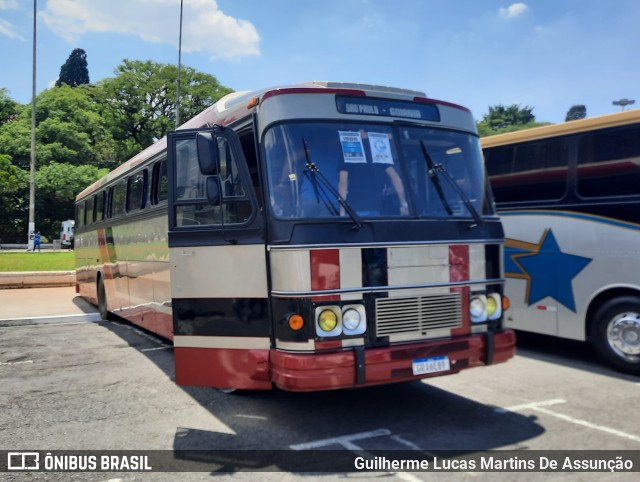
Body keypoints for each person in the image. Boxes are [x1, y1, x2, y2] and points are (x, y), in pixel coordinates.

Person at [337, 130, 409, 216]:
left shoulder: (348, 150)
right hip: (376, 210)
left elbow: (343, 183)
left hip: (355, 210)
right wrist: (403, 203)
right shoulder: (378, 152)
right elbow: (395, 177)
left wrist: (342, 211)